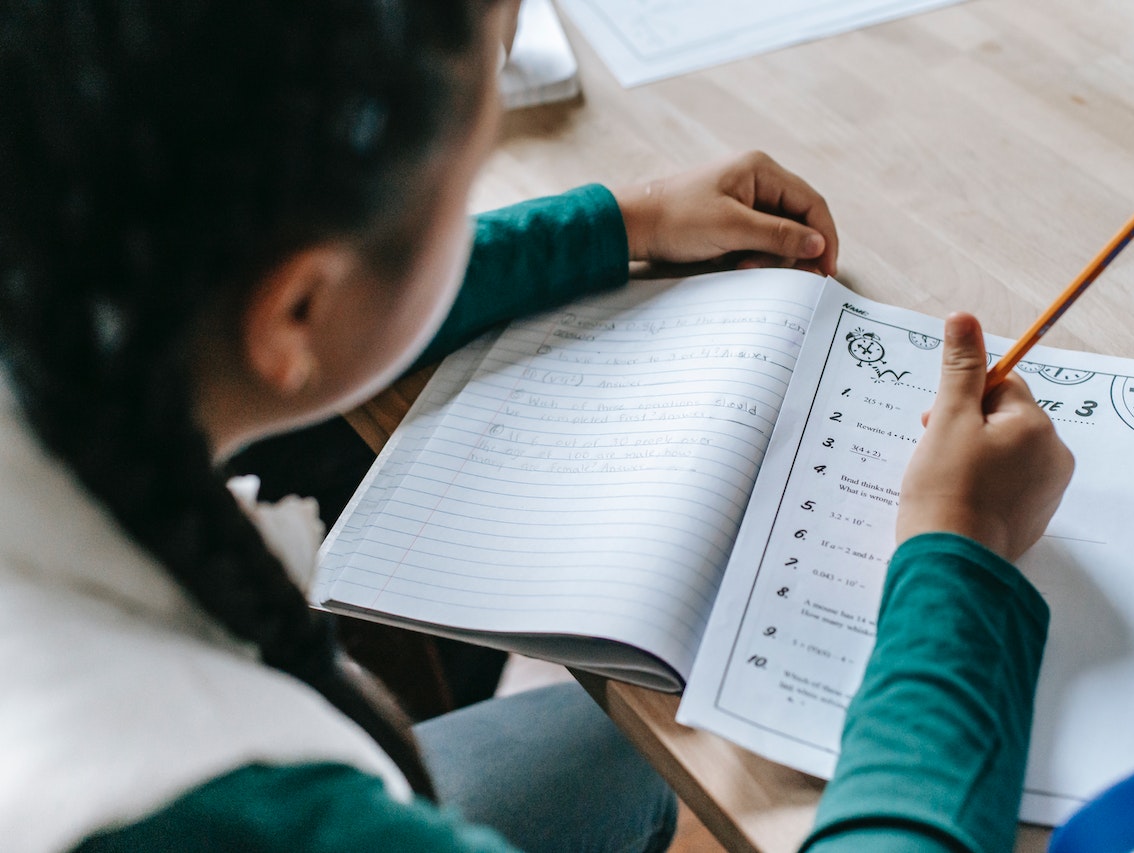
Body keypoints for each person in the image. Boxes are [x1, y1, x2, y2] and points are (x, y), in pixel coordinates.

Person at [0, 3, 1072, 853]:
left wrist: (623, 219)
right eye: (461, 175)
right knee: (642, 754)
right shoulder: (216, 809)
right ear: (294, 308)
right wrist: (956, 561)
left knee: (599, 750)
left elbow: (323, 294)